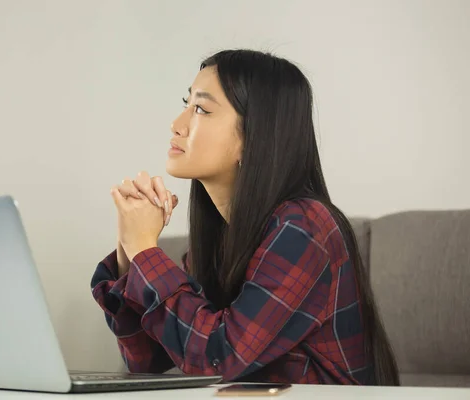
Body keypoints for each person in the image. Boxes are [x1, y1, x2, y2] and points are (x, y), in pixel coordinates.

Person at [90, 49, 400, 386]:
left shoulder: (304, 227)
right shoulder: (225, 236)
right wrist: (128, 251)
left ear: (255, 136)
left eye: (201, 109)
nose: (177, 124)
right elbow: (147, 359)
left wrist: (144, 251)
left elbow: (220, 357)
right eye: (186, 104)